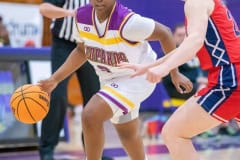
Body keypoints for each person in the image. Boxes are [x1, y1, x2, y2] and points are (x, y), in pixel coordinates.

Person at [38, 0, 193, 159]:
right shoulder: (81, 16)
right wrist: (55, 79)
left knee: (90, 115)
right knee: (127, 133)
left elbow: (165, 33)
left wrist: (174, 72)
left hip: (137, 77)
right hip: (110, 78)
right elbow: (81, 50)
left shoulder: (128, 22)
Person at [120, 0, 240, 159]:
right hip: (232, 73)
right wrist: (150, 66)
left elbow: (194, 41)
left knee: (174, 133)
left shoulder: (196, 2)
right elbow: (187, 46)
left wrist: (165, 68)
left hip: (230, 77)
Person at [38, 1, 101, 160]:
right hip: (63, 44)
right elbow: (44, 8)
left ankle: (93, 152)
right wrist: (71, 13)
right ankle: (47, 148)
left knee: (95, 101)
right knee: (57, 95)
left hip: (90, 45)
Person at [162, 23, 207, 100]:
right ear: (173, 37)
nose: (183, 38)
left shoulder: (196, 51)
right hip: (177, 88)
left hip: (198, 85)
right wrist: (196, 79)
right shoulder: (169, 53)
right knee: (204, 88)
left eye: (185, 35)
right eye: (179, 35)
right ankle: (199, 111)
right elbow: (168, 77)